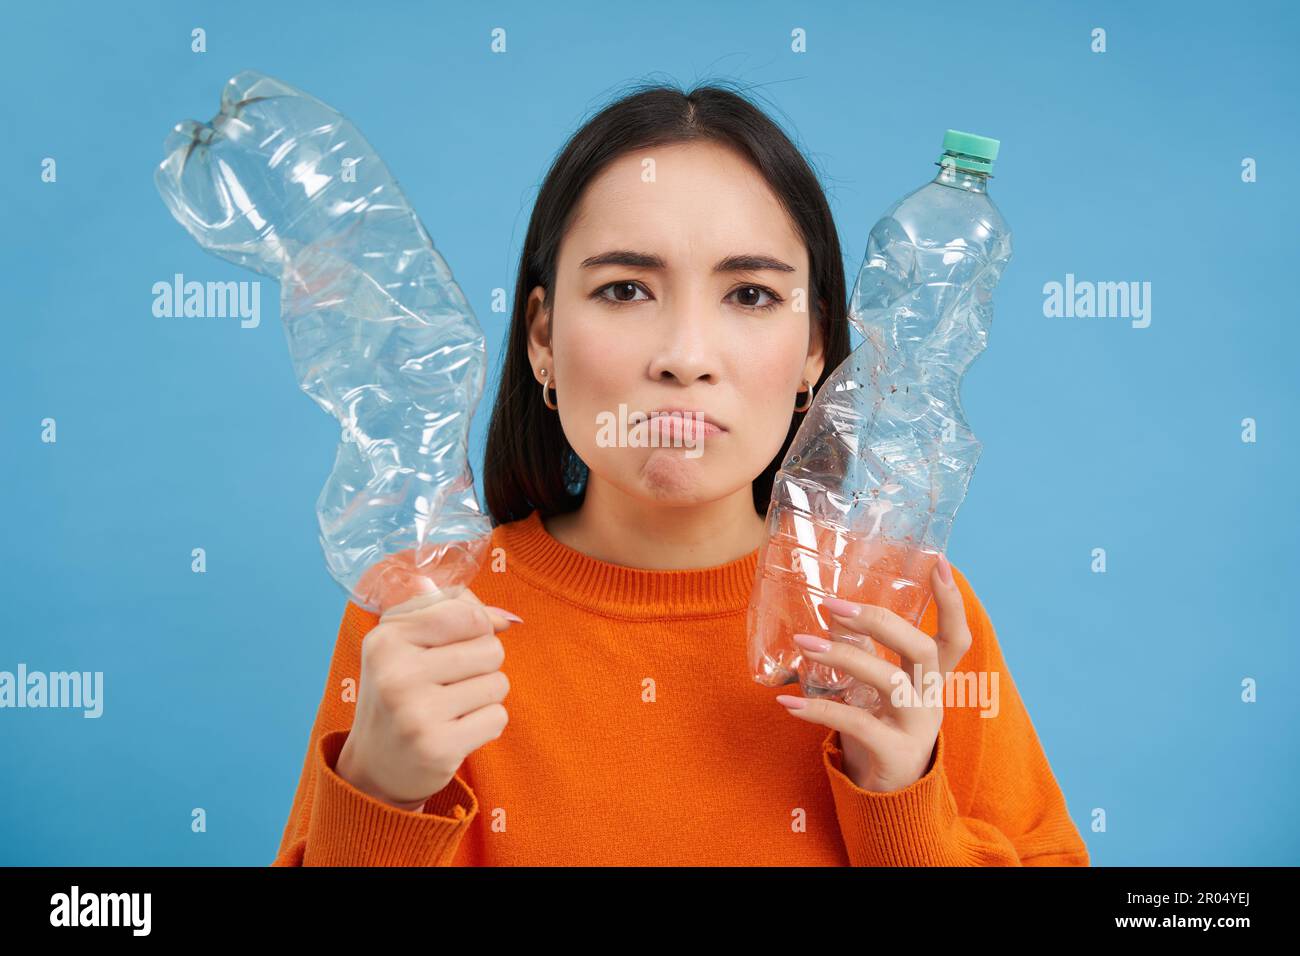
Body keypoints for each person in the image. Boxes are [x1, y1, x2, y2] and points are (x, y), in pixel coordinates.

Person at [272, 81, 1090, 867]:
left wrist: (902, 800)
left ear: (815, 351)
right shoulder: (425, 611)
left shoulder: (894, 620)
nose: (684, 357)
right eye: (625, 289)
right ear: (543, 339)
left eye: (751, 294)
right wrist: (381, 798)